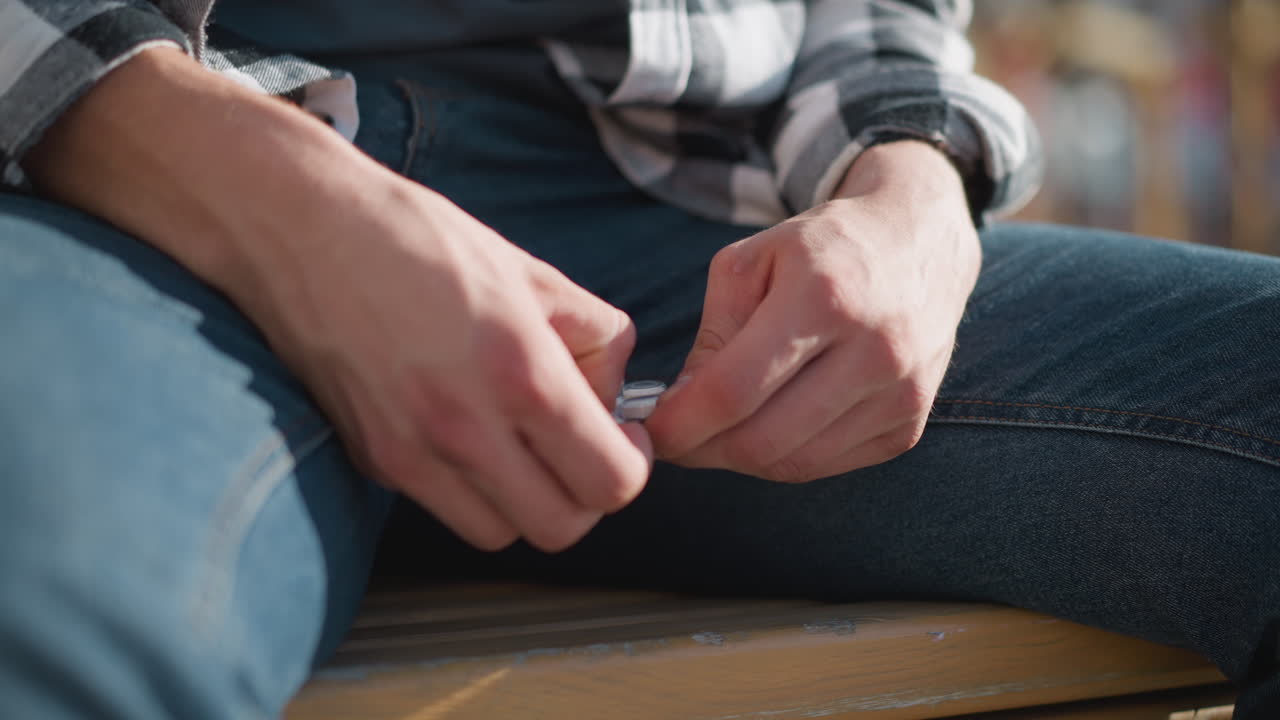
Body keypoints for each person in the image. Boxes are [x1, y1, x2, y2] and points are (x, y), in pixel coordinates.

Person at [0, 1, 1276, 717]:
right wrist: (244, 184)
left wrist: (911, 185)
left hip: (674, 215)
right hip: (114, 180)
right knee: (61, 596)